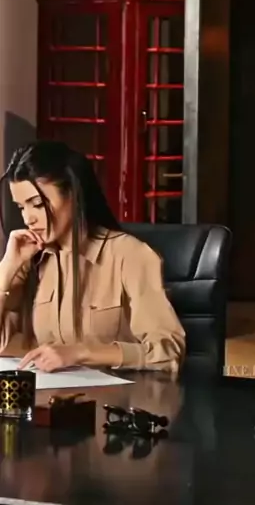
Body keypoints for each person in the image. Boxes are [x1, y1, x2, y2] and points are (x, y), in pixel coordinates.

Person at [0, 140, 186, 373]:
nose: (28, 218)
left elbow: (169, 353)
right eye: (21, 207)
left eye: (37, 204)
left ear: (73, 195)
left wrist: (82, 352)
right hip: (51, 393)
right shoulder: (32, 259)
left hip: (118, 393)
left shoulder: (129, 254)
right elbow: (5, 343)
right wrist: (6, 268)